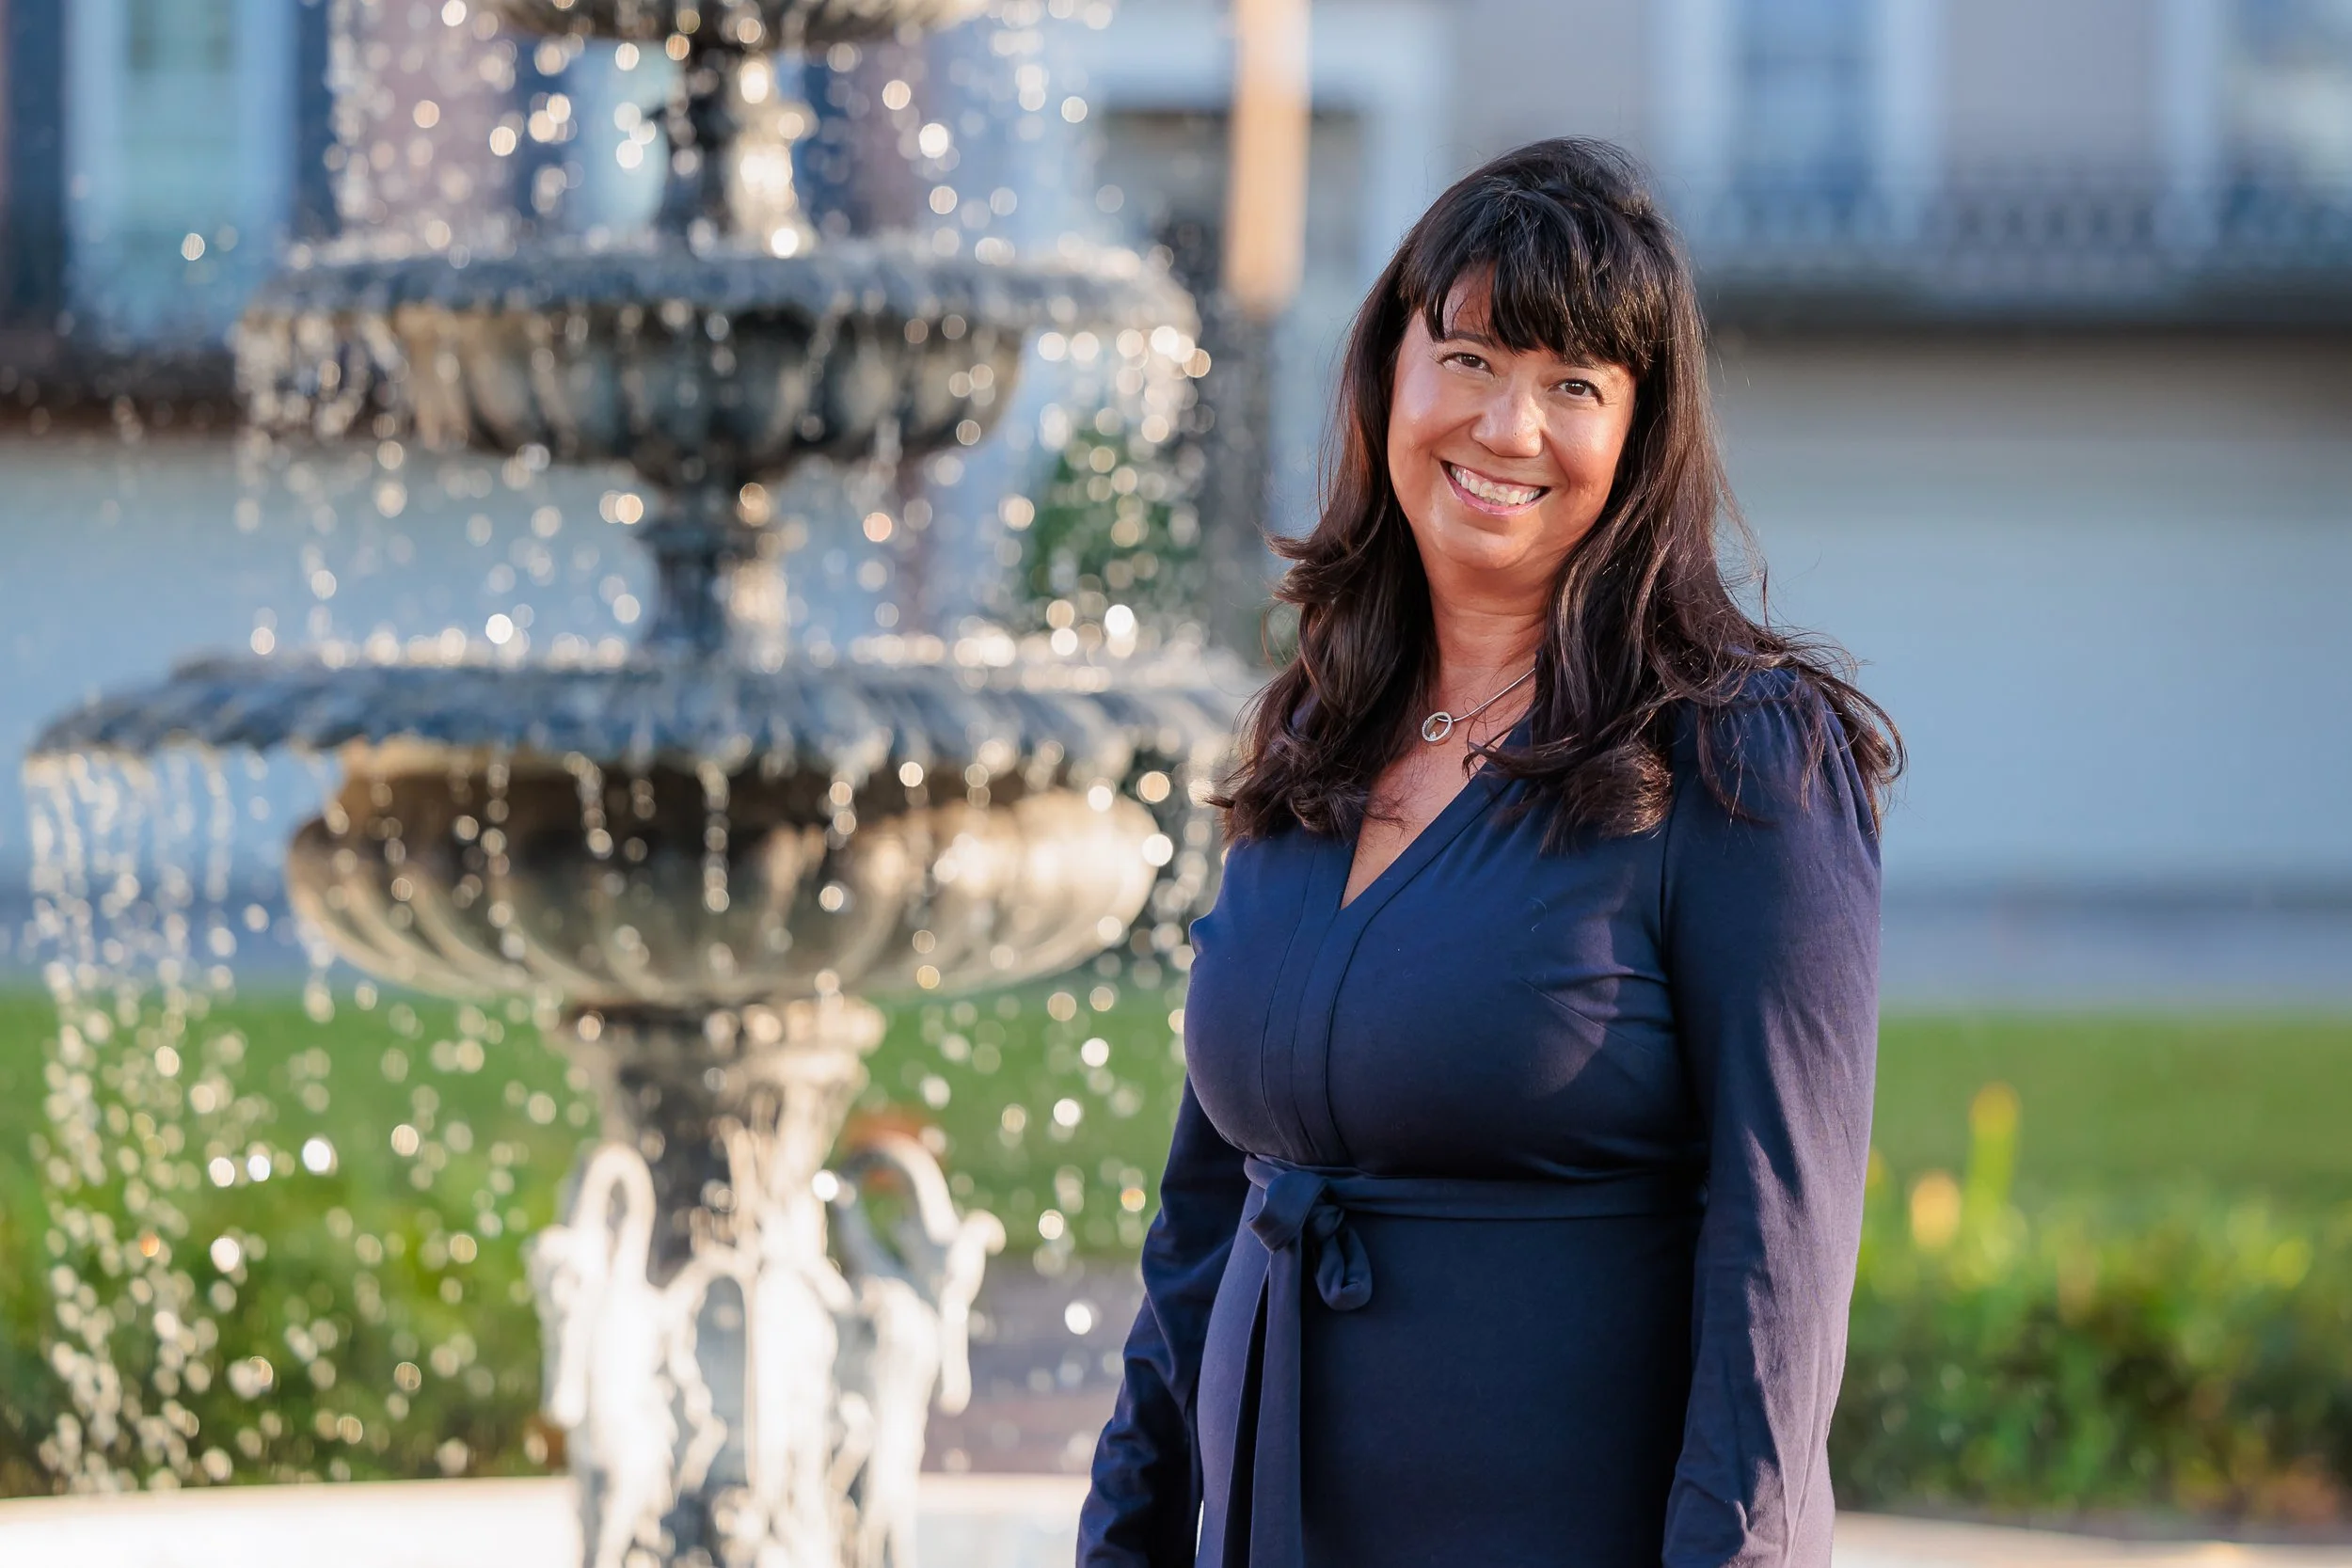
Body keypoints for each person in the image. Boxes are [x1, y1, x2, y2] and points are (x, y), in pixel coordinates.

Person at [1075, 138, 1900, 1568]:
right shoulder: (1312, 733)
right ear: (1390, 374)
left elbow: (1779, 1265)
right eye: (1469, 356)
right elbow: (1211, 1214)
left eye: (1575, 384)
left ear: (1640, 436)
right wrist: (1126, 1531)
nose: (1509, 425)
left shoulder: (1741, 754)